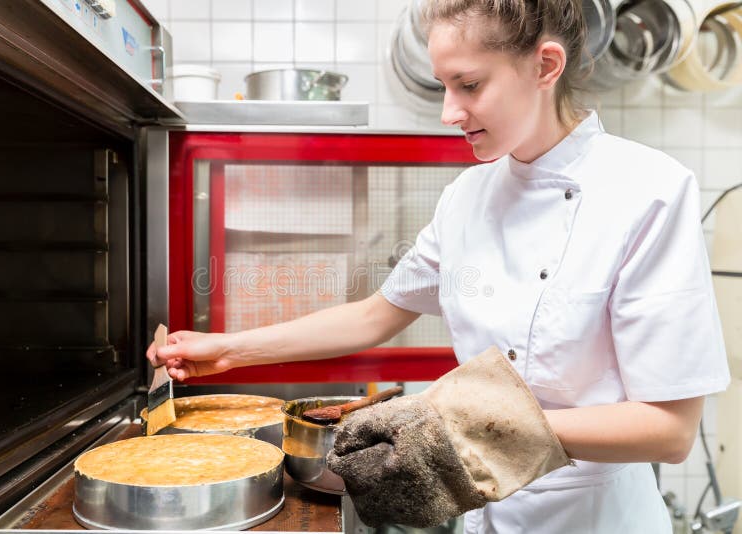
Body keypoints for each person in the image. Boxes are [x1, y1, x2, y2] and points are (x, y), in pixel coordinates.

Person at [147, 0, 731, 532]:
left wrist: (454, 423)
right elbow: (375, 316)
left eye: (469, 84)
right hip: (482, 511)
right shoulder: (466, 197)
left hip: (594, 516)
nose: (450, 111)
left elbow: (668, 429)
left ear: (545, 65)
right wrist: (228, 349)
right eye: (443, 86)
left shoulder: (647, 191)